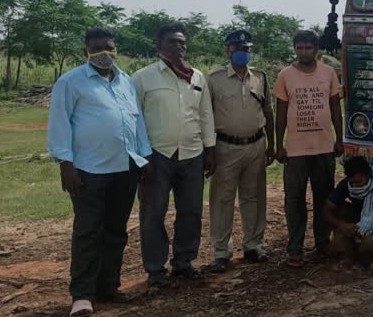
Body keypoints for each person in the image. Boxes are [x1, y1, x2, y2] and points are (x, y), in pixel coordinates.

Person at [46, 27, 153, 317]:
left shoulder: (126, 82)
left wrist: (144, 157)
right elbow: (59, 124)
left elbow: (136, 122)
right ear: (86, 52)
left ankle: (109, 286)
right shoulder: (71, 83)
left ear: (115, 49)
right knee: (88, 231)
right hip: (88, 169)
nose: (103, 53)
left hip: (124, 167)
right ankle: (82, 295)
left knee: (116, 231)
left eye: (108, 47)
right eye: (96, 48)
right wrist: (65, 164)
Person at [132, 23, 216, 289]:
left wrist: (209, 149)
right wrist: (140, 157)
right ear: (159, 46)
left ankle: (184, 262)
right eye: (172, 42)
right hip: (156, 156)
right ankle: (155, 269)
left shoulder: (197, 77)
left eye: (182, 43)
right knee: (153, 214)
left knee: (190, 211)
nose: (178, 47)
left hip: (192, 154)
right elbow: (134, 120)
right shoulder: (143, 78)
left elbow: (205, 115)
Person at [206, 29, 275, 273]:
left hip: (256, 145)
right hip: (225, 147)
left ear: (250, 51)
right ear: (228, 51)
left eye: (246, 49)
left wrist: (272, 144)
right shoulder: (213, 79)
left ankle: (253, 245)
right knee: (222, 200)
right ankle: (221, 252)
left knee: (253, 197)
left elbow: (268, 112)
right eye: (237, 49)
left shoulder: (260, 77)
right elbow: (205, 116)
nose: (241, 53)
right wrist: (209, 150)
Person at [273, 30, 343, 268]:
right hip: (295, 151)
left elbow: (335, 107)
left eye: (308, 48)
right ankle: (295, 249)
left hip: (324, 148)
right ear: (294, 49)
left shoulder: (329, 73)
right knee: (295, 200)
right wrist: (278, 145)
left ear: (316, 49)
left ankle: (323, 243)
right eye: (299, 48)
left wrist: (339, 139)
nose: (303, 52)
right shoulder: (285, 75)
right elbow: (280, 112)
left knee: (324, 198)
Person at [322, 156, 373, 271]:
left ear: (368, 175)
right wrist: (340, 225)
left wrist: (352, 230)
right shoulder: (346, 184)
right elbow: (326, 209)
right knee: (339, 211)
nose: (356, 185)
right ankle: (348, 255)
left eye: (359, 181)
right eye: (352, 182)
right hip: (363, 218)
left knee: (368, 242)